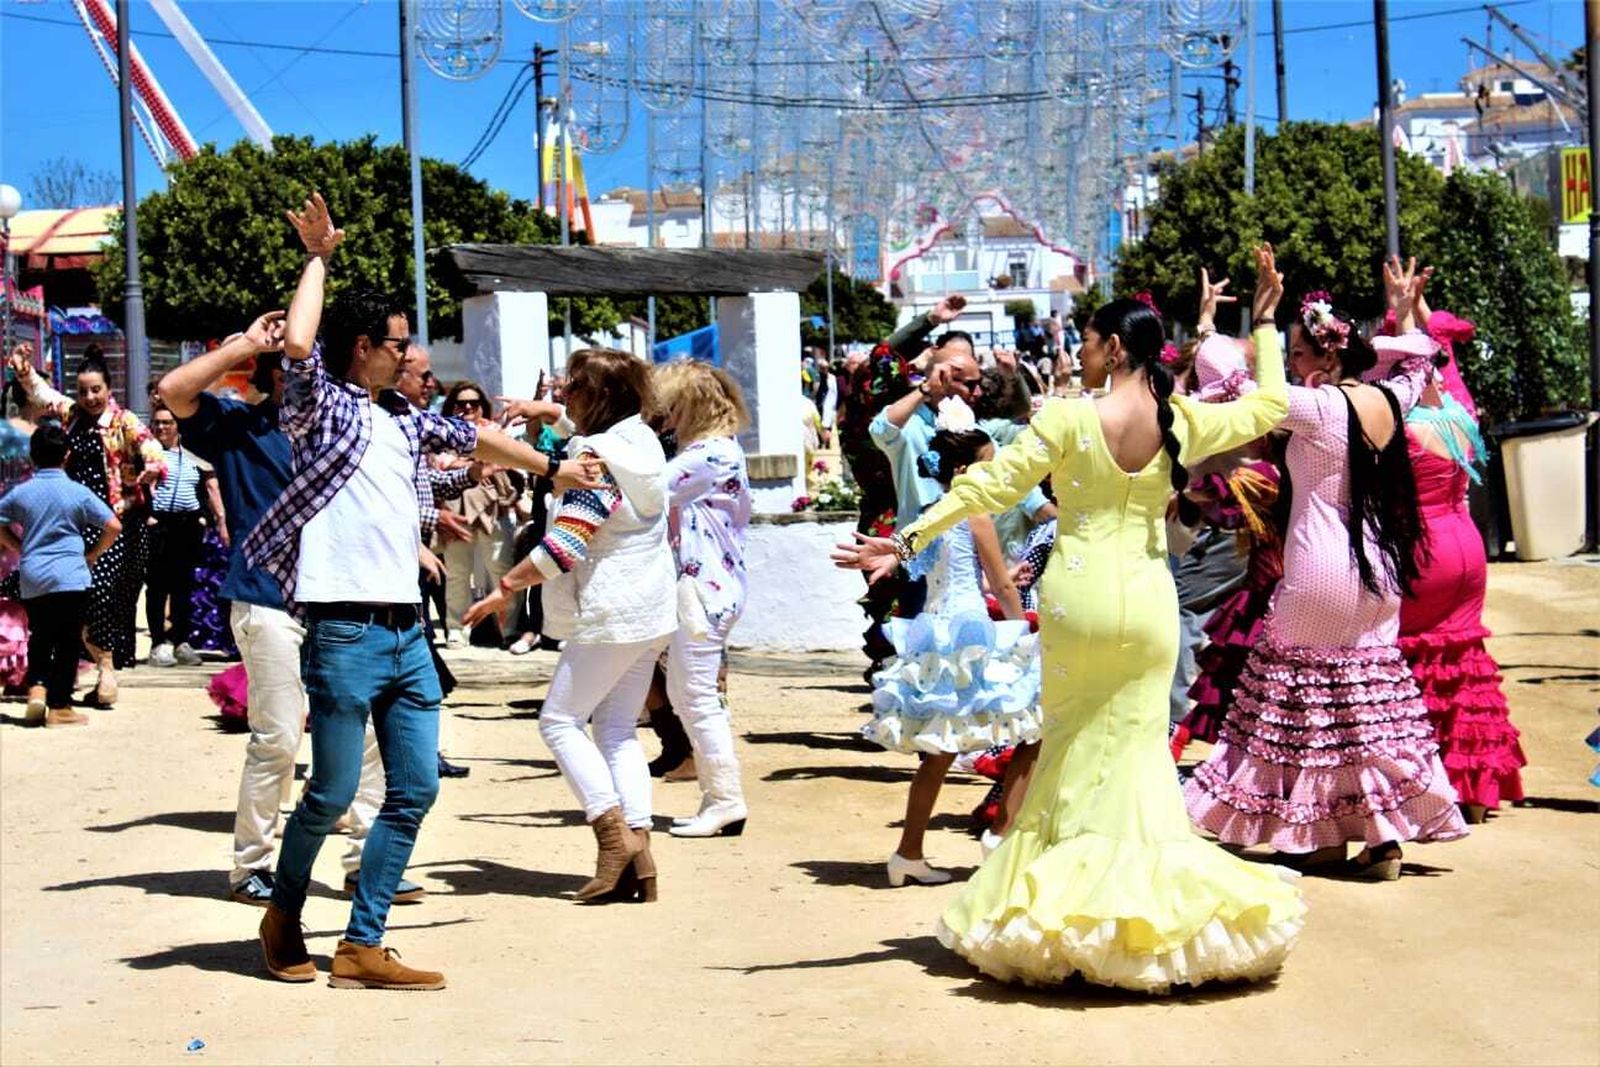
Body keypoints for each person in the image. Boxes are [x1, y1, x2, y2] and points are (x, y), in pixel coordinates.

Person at [835, 245, 1304, 993]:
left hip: (1078, 600)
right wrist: (1269, 322)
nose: (1082, 352)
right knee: (1141, 753)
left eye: (1087, 341)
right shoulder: (1181, 419)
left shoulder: (1066, 418)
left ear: (1114, 347)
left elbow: (987, 485)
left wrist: (907, 540)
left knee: (1071, 748)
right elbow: (1272, 407)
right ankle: (1142, 913)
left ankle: (1063, 908)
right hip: (1150, 601)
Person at [245, 192, 575, 988]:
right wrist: (318, 256)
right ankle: (284, 910)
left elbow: (479, 436)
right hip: (344, 631)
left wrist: (553, 466)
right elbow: (297, 341)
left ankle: (362, 942)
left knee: (416, 787)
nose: (410, 356)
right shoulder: (321, 408)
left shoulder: (404, 418)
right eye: (399, 344)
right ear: (364, 347)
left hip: (405, 634)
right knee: (326, 791)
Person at [1185, 257, 1469, 880]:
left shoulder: (1315, 409)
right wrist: (1398, 312)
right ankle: (1383, 840)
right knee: (1366, 708)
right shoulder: (1388, 400)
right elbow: (1423, 360)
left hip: (1320, 567)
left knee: (1308, 708)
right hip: (1378, 569)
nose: (1287, 365)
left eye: (1293, 353)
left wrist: (1243, 321)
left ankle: (1320, 839)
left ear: (1323, 358)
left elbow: (1242, 390)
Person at [465, 348, 676, 904]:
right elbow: (602, 448)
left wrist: (504, 589)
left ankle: (613, 838)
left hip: (608, 611)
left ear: (599, 396)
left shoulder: (594, 454)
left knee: (559, 722)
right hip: (650, 609)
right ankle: (641, 852)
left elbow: (566, 545)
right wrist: (551, 414)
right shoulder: (642, 441)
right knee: (617, 730)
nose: (565, 394)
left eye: (573, 386)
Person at [859, 408, 1040, 885]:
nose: (995, 473)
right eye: (988, 464)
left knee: (939, 752)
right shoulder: (974, 510)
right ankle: (1000, 834)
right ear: (963, 471)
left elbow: (953, 575)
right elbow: (1000, 586)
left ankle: (909, 851)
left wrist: (996, 583)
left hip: (937, 629)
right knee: (1033, 727)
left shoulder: (931, 513)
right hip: (970, 633)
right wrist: (1022, 631)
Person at [1395, 299, 1524, 823]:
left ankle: (1422, 781)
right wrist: (1415, 315)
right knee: (1464, 658)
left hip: (1424, 545)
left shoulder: (1400, 422)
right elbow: (1444, 357)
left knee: (1410, 656)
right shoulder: (1458, 413)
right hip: (1467, 546)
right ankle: (1475, 787)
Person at [12, 344, 164, 705]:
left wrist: (151, 469)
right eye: (82, 391)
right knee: (86, 592)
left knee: (116, 597)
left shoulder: (124, 420)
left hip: (121, 521)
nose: (89, 397)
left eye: (96, 389)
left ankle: (103, 669)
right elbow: (43, 395)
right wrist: (24, 370)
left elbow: (152, 446)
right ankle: (100, 670)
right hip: (78, 521)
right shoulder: (73, 415)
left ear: (109, 388)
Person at [651, 360, 754, 838]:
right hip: (710, 588)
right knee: (690, 695)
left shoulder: (706, 457)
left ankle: (726, 800)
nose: (664, 416)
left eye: (670, 406)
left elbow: (642, 490)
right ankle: (719, 798)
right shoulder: (718, 451)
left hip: (703, 590)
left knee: (695, 697)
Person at [0, 424, 122, 727]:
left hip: (34, 574)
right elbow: (114, 526)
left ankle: (37, 687)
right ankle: (59, 706)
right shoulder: (77, 492)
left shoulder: (22, 493)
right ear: (67, 456)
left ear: (32, 456)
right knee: (68, 640)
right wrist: (92, 554)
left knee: (39, 634)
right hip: (70, 574)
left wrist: (18, 546)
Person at [437, 381, 518, 648]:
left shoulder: (495, 431)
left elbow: (506, 459)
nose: (468, 407)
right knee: (458, 572)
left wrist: (460, 462)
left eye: (474, 402)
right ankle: (456, 628)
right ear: (452, 406)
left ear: (483, 405)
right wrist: (473, 463)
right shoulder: (443, 431)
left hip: (493, 509)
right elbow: (439, 463)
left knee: (501, 569)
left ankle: (510, 628)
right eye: (462, 403)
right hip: (455, 510)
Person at [143, 407, 207, 667]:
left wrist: (205, 516)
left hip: (188, 524)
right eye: (157, 423)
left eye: (167, 423)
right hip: (159, 523)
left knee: (184, 586)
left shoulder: (193, 453)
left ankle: (181, 640)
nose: (161, 428)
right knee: (157, 587)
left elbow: (206, 485)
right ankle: (158, 643)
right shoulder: (147, 453)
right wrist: (148, 512)